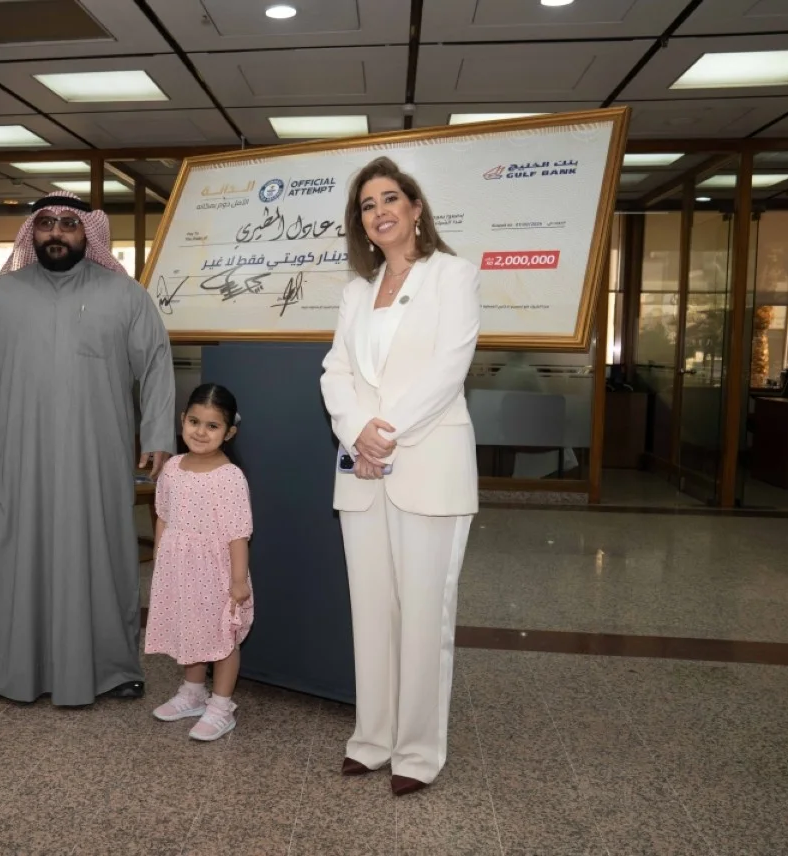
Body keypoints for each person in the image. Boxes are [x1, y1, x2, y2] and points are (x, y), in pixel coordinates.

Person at [0, 190, 176, 707]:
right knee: (20, 550)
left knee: (103, 551)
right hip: (21, 456)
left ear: (88, 232)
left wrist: (159, 434)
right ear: (33, 232)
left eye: (69, 223)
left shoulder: (125, 295)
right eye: (46, 222)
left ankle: (113, 668)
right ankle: (15, 668)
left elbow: (157, 364)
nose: (56, 232)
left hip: (98, 455)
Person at [319, 156, 480, 796]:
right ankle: (373, 739)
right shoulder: (356, 292)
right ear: (360, 222)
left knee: (422, 614)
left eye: (390, 198)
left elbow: (449, 368)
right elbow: (335, 371)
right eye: (367, 204)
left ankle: (416, 751)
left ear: (415, 209)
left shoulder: (453, 275)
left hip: (428, 462)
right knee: (372, 612)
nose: (379, 211)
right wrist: (355, 430)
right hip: (361, 471)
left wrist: (382, 435)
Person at [145, 383, 253, 741]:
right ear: (182, 420)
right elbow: (163, 516)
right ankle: (192, 693)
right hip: (179, 570)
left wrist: (238, 581)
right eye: (194, 422)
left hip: (216, 574)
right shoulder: (172, 468)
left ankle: (221, 707)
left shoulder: (229, 477)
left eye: (212, 426)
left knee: (222, 638)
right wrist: (160, 558)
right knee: (190, 629)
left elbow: (238, 534)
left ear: (229, 432)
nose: (201, 432)